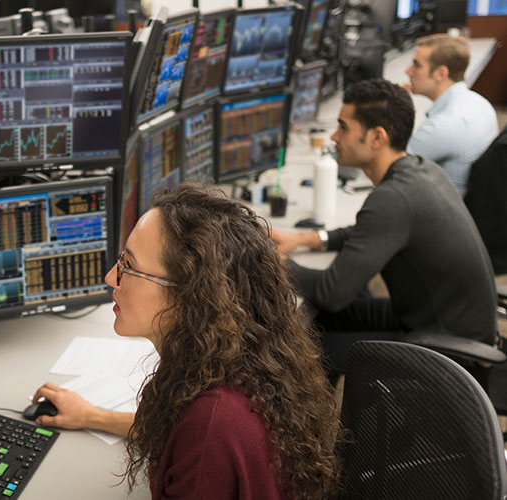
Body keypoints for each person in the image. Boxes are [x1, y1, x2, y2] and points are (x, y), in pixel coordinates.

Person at [32, 184, 341, 500]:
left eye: (128, 266)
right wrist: (92, 416)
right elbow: (171, 431)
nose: (111, 277)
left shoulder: (211, 424)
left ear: (188, 295)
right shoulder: (222, 362)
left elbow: (197, 437)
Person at [271, 78, 497, 372]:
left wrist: (274, 262)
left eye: (343, 127)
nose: (334, 137)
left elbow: (332, 292)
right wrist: (308, 239)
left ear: (377, 138)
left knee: (297, 352)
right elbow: (372, 232)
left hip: (446, 354)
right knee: (322, 321)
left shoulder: (393, 199)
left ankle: (326, 418)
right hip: (441, 324)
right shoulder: (421, 170)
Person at [404, 33, 499, 196]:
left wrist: (392, 106)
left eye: (416, 65)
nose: (408, 71)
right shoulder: (480, 103)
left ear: (441, 73)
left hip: (438, 215)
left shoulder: (444, 125)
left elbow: (389, 170)